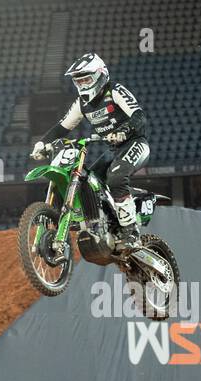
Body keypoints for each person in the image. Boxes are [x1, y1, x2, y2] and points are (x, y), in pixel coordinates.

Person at [32, 53, 150, 243]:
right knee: (88, 182)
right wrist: (42, 143)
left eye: (87, 79)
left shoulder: (115, 90)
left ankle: (130, 231)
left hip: (135, 143)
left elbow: (139, 116)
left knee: (116, 177)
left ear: (100, 75)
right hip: (113, 150)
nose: (83, 85)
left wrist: (123, 130)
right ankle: (104, 224)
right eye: (79, 82)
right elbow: (63, 126)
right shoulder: (82, 103)